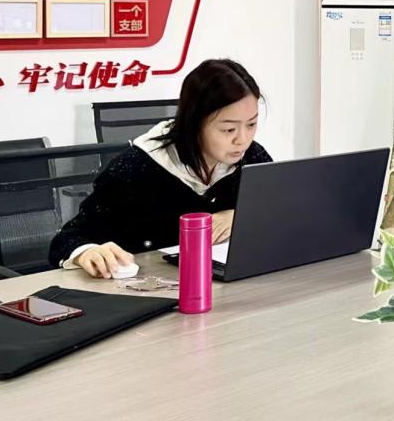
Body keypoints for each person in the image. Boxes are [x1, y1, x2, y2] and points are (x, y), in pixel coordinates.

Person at [48, 59, 272, 277]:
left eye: (251, 124)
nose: (243, 139)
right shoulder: (137, 169)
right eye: (229, 129)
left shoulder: (251, 157)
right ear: (194, 123)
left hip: (225, 285)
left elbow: (280, 209)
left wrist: (238, 216)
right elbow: (68, 239)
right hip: (146, 288)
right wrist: (87, 251)